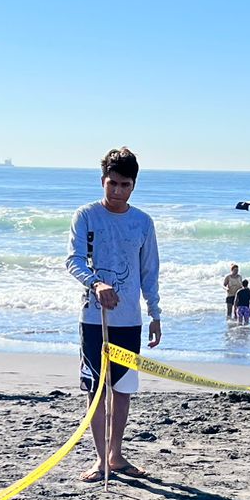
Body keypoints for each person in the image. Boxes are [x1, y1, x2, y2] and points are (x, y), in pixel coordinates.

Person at [66, 146, 161, 482]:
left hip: (129, 321)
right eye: (113, 184)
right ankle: (99, 460)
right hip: (94, 319)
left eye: (125, 185)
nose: (118, 191)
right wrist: (96, 284)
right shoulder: (86, 216)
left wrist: (155, 314)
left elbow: (149, 272)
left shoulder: (142, 222)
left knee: (122, 390)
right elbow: (73, 261)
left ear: (134, 185)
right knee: (97, 391)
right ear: (102, 181)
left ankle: (116, 456)